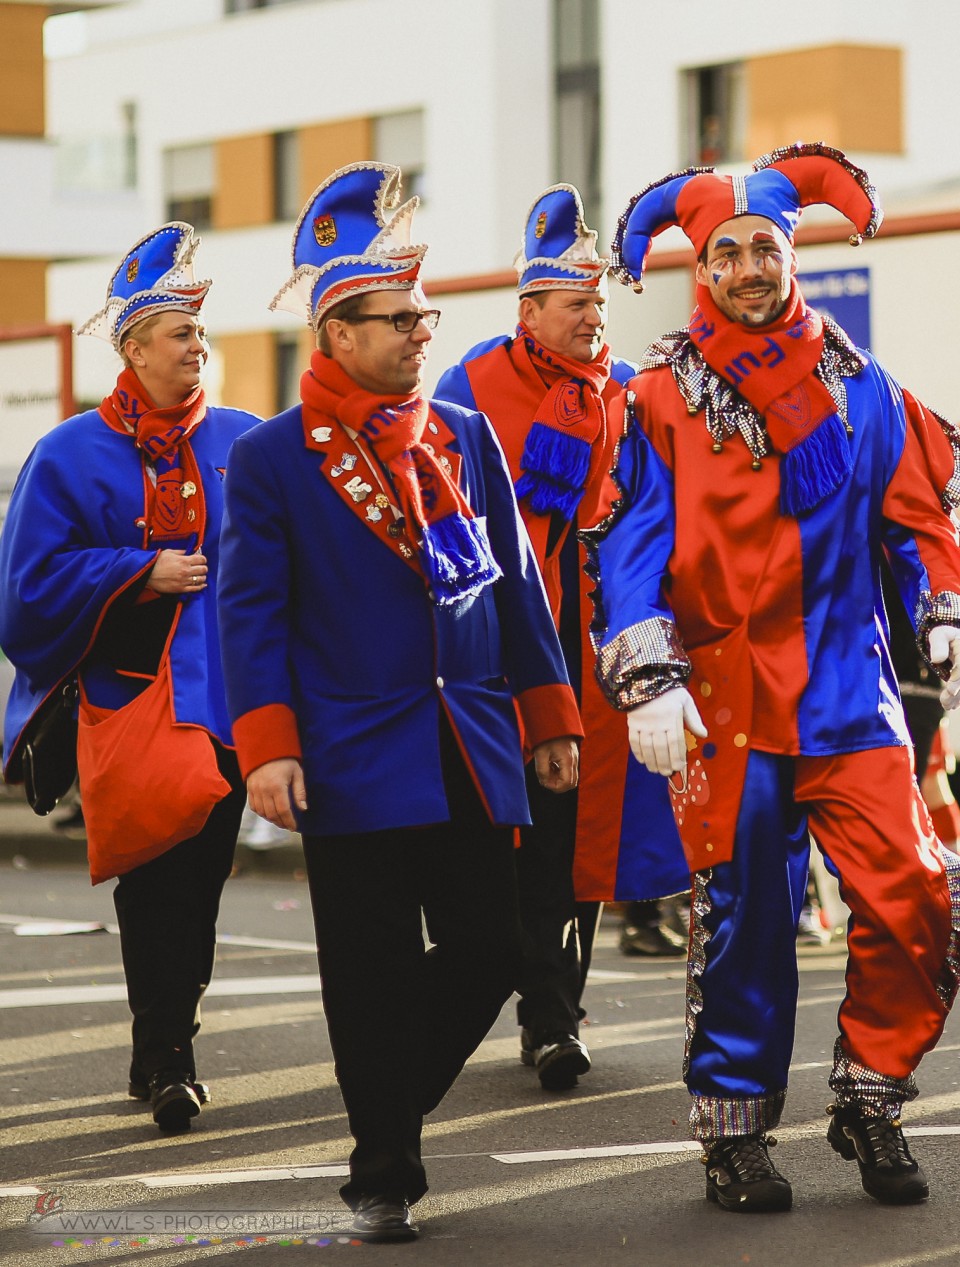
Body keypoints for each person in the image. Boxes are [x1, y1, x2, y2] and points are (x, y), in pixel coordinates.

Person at [590, 144, 960, 1212]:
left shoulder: (866, 390)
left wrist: (947, 608)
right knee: (746, 920)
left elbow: (918, 522)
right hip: (724, 705)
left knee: (923, 895)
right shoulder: (658, 398)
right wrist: (647, 673)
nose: (750, 268)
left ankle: (871, 1094)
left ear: (792, 250)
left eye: (765, 246)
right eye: (727, 253)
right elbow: (630, 547)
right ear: (700, 269)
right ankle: (734, 1132)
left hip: (848, 694)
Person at [219, 163, 582, 1243]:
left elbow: (515, 580)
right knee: (367, 973)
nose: (424, 329)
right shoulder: (271, 459)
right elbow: (251, 616)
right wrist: (268, 749)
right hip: (345, 752)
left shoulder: (462, 435)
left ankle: (383, 1107)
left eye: (427, 312)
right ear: (337, 333)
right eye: (399, 317)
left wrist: (552, 714)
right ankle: (385, 1163)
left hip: (470, 744)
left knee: (495, 948)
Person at [0, 224, 256, 1133]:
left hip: (228, 708)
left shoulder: (245, 441)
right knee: (157, 887)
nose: (198, 345)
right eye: (180, 331)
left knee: (207, 882)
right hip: (125, 705)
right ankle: (168, 1056)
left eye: (201, 330)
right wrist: (134, 569)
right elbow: (23, 591)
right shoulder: (65, 454)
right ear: (133, 346)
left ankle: (169, 1037)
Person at [432, 185, 689, 1089]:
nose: (594, 319)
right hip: (499, 655)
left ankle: (554, 1013)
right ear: (529, 309)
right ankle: (506, 990)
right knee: (503, 844)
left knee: (574, 841)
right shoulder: (468, 385)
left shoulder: (629, 393)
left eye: (602, 305)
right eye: (576, 304)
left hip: (594, 658)